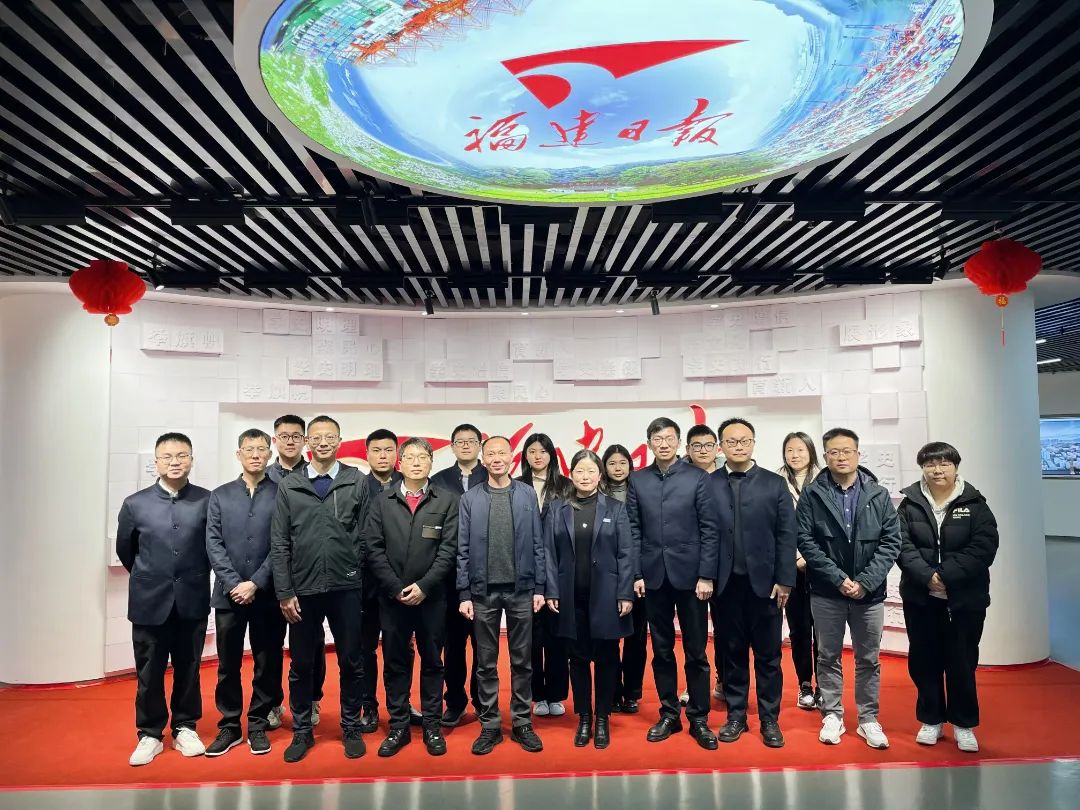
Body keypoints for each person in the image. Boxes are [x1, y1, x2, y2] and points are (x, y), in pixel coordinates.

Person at [271, 415, 372, 762]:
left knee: (351, 661)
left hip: (346, 586)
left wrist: (354, 570)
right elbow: (280, 542)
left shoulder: (356, 480)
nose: (323, 442)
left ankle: (351, 726)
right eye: (316, 437)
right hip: (303, 589)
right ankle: (302, 730)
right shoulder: (291, 485)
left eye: (330, 437)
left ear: (340, 441)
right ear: (307, 442)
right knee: (301, 663)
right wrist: (285, 591)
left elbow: (367, 535)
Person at [797, 427, 901, 750]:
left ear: (858, 454)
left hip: (869, 595)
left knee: (868, 658)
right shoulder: (812, 495)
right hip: (827, 592)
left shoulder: (878, 494)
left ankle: (868, 718)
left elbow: (891, 541)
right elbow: (805, 540)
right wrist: (838, 578)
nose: (841, 457)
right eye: (834, 452)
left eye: (847, 451)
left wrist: (866, 581)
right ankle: (832, 714)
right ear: (825, 456)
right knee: (827, 656)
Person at [898, 442, 999, 754]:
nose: (937, 470)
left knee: (962, 662)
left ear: (956, 466)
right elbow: (901, 545)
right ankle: (931, 720)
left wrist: (946, 575)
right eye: (930, 464)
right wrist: (927, 575)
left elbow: (984, 547)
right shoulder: (910, 504)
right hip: (921, 598)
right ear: (922, 468)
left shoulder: (975, 504)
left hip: (964, 600)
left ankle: (963, 724)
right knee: (924, 661)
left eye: (944, 463)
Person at [116, 432, 210, 766]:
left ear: (191, 460)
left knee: (190, 668)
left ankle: (186, 727)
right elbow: (126, 551)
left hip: (192, 599)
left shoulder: (207, 500)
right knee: (149, 672)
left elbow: (213, 547)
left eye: (182, 455)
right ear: (156, 462)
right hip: (149, 602)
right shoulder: (135, 503)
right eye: (167, 456)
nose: (175, 462)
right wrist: (153, 577)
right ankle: (150, 734)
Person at [627, 417, 720, 750]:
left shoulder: (697, 477)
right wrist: (636, 573)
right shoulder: (638, 480)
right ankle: (669, 713)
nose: (663, 444)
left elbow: (710, 529)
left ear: (679, 442)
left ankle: (698, 717)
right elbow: (633, 529)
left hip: (692, 577)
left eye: (669, 438)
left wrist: (706, 574)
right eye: (657, 439)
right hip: (653, 576)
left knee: (696, 651)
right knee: (662, 650)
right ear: (649, 443)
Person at [366, 438, 460, 757]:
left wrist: (424, 586)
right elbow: (373, 549)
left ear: (431, 462)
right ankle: (399, 726)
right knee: (395, 663)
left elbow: (448, 550)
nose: (417, 462)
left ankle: (432, 725)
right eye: (410, 457)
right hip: (392, 599)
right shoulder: (383, 501)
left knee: (432, 661)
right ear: (400, 463)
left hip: (432, 598)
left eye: (423, 456)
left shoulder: (446, 501)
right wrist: (396, 588)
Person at [457, 436, 546, 755]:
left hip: (521, 589)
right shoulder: (470, 498)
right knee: (485, 662)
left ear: (512, 457)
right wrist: (464, 592)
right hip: (482, 592)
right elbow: (462, 548)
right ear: (483, 460)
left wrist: (540, 587)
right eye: (491, 453)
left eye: (502, 453)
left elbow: (538, 543)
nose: (496, 458)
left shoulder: (526, 493)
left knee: (522, 661)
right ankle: (490, 725)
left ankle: (522, 722)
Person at [710, 419, 796, 748]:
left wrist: (785, 579)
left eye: (744, 440)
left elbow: (787, 534)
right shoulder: (709, 484)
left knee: (768, 656)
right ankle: (736, 715)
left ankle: (769, 719)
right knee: (731, 652)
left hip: (767, 586)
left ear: (753, 443)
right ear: (721, 446)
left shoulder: (774, 484)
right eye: (731, 441)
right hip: (725, 585)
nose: (738, 446)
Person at [544, 450, 634, 749]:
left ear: (599, 475)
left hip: (607, 596)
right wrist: (552, 590)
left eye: (591, 471)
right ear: (571, 474)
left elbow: (626, 553)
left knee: (607, 659)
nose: (585, 477)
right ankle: (584, 717)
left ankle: (603, 718)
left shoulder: (616, 508)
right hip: (570, 597)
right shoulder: (557, 508)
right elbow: (548, 553)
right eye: (580, 471)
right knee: (578, 659)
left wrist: (625, 592)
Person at [204, 429, 283, 757]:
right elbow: (213, 543)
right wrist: (234, 582)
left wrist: (256, 582)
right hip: (228, 595)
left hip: (267, 594)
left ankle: (258, 723)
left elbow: (282, 543)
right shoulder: (220, 495)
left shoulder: (281, 494)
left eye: (261, 449)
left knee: (267, 660)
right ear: (238, 454)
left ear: (269, 454)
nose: (255, 455)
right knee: (228, 663)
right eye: (249, 449)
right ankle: (230, 725)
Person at [267, 414, 325, 730]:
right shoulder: (264, 477)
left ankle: (312, 698)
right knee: (271, 644)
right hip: (273, 574)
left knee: (312, 644)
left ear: (304, 440)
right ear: (275, 440)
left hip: (309, 575)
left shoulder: (315, 473)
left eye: (295, 436)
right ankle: (273, 703)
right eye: (283, 436)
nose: (290, 441)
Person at [430, 423, 485, 726]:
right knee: (453, 644)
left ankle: (483, 700)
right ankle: (454, 701)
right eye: (459, 441)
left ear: (479, 446)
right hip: (449, 576)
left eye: (471, 441)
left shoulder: (492, 477)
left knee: (484, 645)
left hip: (485, 574)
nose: (465, 445)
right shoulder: (439, 480)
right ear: (452, 447)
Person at [518, 432, 570, 718]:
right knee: (532, 638)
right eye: (532, 451)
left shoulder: (566, 486)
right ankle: (537, 695)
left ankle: (557, 694)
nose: (537, 456)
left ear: (552, 454)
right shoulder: (516, 485)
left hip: (559, 569)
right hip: (526, 569)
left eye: (543, 451)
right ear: (525, 455)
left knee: (557, 636)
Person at [358, 428, 405, 733]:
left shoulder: (410, 485)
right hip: (364, 584)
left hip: (400, 584)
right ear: (367, 454)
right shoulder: (356, 487)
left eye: (388, 450)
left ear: (397, 454)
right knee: (364, 650)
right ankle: (369, 707)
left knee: (399, 650)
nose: (383, 456)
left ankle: (400, 705)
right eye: (376, 450)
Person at [779, 431, 822, 711]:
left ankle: (825, 686)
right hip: (791, 566)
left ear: (811, 452)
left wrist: (812, 556)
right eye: (790, 450)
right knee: (799, 629)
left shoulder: (825, 479)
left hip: (821, 567)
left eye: (800, 450)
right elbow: (775, 526)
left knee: (824, 631)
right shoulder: (775, 482)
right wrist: (796, 556)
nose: (795, 455)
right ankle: (805, 684)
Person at [685, 424, 726, 707]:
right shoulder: (680, 476)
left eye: (708, 445)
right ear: (688, 449)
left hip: (724, 564)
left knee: (725, 628)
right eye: (696, 445)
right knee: (695, 633)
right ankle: (694, 686)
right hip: (690, 567)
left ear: (717, 447)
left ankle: (724, 679)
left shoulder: (726, 476)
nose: (703, 450)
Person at [604, 444, 646, 714]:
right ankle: (612, 691)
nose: (618, 468)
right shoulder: (596, 493)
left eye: (623, 463)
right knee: (608, 638)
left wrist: (638, 572)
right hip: (607, 575)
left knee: (636, 638)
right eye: (612, 463)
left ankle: (631, 692)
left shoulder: (640, 490)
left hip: (638, 574)